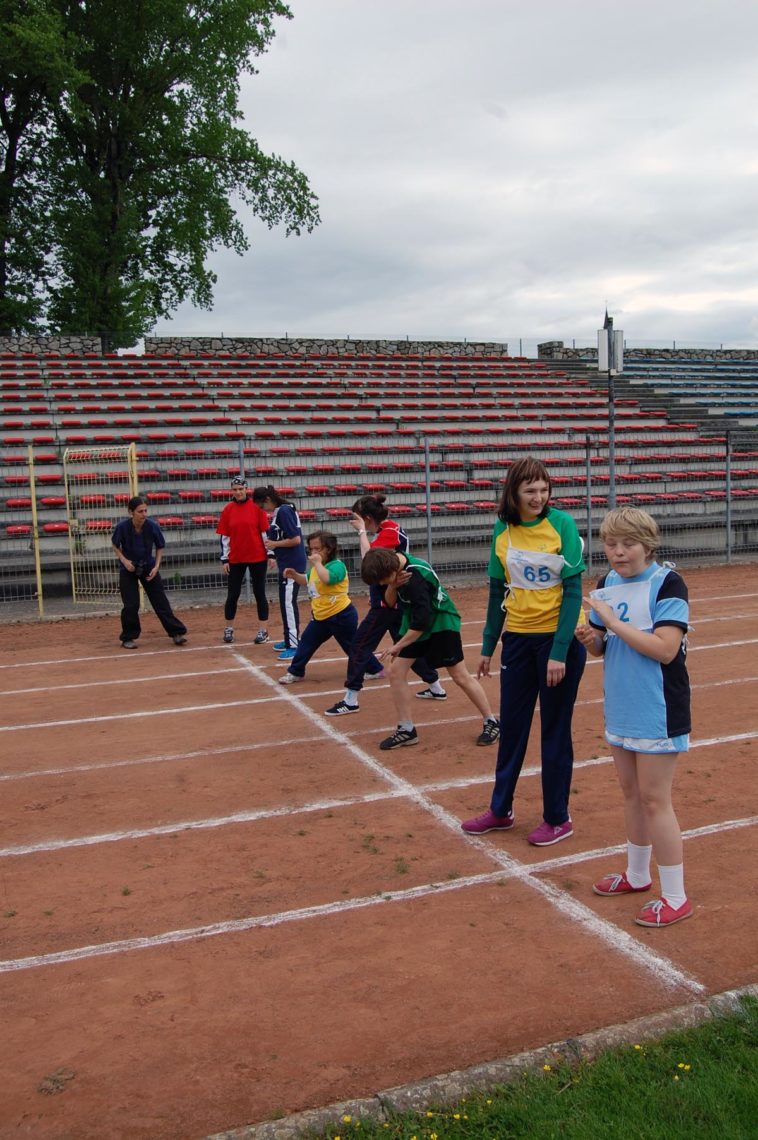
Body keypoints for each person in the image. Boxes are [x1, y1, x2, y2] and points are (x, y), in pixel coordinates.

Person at [575, 507, 693, 928]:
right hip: (621, 703)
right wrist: (593, 638)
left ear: (648, 544)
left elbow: (664, 648)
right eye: (611, 544)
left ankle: (676, 895)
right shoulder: (606, 583)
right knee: (631, 795)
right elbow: (605, 647)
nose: (618, 552)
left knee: (655, 800)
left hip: (658, 708)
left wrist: (608, 622)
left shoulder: (667, 582)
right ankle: (638, 874)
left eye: (628, 544)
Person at [461, 456, 586, 845]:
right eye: (530, 490)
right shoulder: (503, 528)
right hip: (517, 639)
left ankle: (557, 817)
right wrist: (487, 646)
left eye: (544, 489)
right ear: (513, 492)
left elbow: (574, 591)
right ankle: (501, 810)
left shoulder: (562, 524)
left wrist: (559, 652)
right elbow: (498, 591)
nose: (538, 496)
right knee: (512, 728)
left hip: (556, 641)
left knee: (553, 730)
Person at [360, 547, 500, 751]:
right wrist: (392, 587)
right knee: (396, 672)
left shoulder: (416, 578)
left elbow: (422, 624)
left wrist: (398, 645)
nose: (382, 585)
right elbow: (389, 604)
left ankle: (491, 722)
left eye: (383, 581)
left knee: (460, 676)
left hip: (441, 622)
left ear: (390, 569)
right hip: (416, 622)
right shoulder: (395, 568)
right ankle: (406, 729)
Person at [324, 494, 445, 716]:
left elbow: (368, 560)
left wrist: (361, 531)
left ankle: (351, 698)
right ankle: (435, 686)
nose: (355, 523)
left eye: (359, 519)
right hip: (391, 595)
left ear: (368, 518)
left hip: (388, 601)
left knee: (360, 645)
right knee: (405, 645)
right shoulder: (389, 528)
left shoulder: (388, 532)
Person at [278, 531, 362, 684]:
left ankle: (373, 668)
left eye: (317, 549)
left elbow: (327, 578)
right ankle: (296, 671)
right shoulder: (317, 567)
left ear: (329, 549)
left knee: (351, 646)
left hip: (341, 615)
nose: (313, 552)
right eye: (311, 549)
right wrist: (295, 575)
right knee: (306, 642)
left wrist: (316, 563)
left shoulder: (337, 566)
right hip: (321, 616)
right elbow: (308, 580)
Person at [112, 495, 188, 649]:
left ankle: (176, 632)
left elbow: (160, 546)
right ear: (131, 512)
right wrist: (125, 561)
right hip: (128, 569)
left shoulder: (152, 526)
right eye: (140, 511)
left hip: (148, 566)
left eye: (145, 510)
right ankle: (128, 637)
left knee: (160, 601)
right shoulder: (122, 527)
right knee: (131, 604)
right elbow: (115, 545)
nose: (144, 514)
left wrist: (156, 566)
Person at [252, 485, 306, 661]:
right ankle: (289, 638)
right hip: (286, 563)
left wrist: (274, 545)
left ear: (267, 500)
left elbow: (295, 539)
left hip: (292, 565)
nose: (263, 510)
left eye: (262, 506)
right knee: (285, 603)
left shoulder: (283, 511)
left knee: (289, 604)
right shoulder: (281, 511)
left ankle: (293, 643)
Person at [216, 476, 271, 644]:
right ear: (231, 491)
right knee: (233, 594)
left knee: (259, 593)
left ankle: (263, 631)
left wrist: (270, 554)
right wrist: (225, 559)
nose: (238, 492)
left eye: (241, 489)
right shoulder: (228, 509)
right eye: (235, 489)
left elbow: (264, 532)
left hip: (257, 556)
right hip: (236, 558)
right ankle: (228, 629)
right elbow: (225, 536)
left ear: (246, 489)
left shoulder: (257, 508)